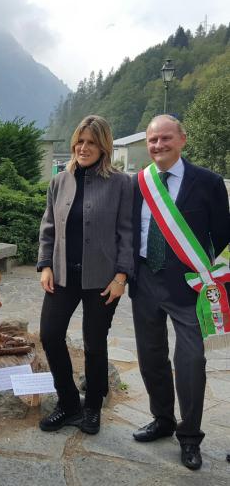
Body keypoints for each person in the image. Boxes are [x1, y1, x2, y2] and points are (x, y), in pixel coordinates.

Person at [130, 115, 230, 470]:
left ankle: (189, 437)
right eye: (153, 140)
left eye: (166, 138)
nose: (158, 145)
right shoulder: (139, 182)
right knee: (150, 357)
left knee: (191, 362)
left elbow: (223, 239)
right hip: (145, 282)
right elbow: (130, 231)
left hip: (190, 288)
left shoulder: (208, 182)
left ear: (182, 140)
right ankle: (162, 420)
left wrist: (219, 285)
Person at [37, 115, 133, 435]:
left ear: (104, 146)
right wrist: (46, 265)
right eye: (80, 140)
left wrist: (121, 277)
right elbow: (48, 228)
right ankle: (68, 403)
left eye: (91, 142)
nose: (83, 147)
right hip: (63, 275)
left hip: (102, 281)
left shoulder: (120, 183)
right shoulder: (60, 181)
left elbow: (127, 233)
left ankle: (92, 407)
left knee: (94, 344)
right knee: (50, 335)